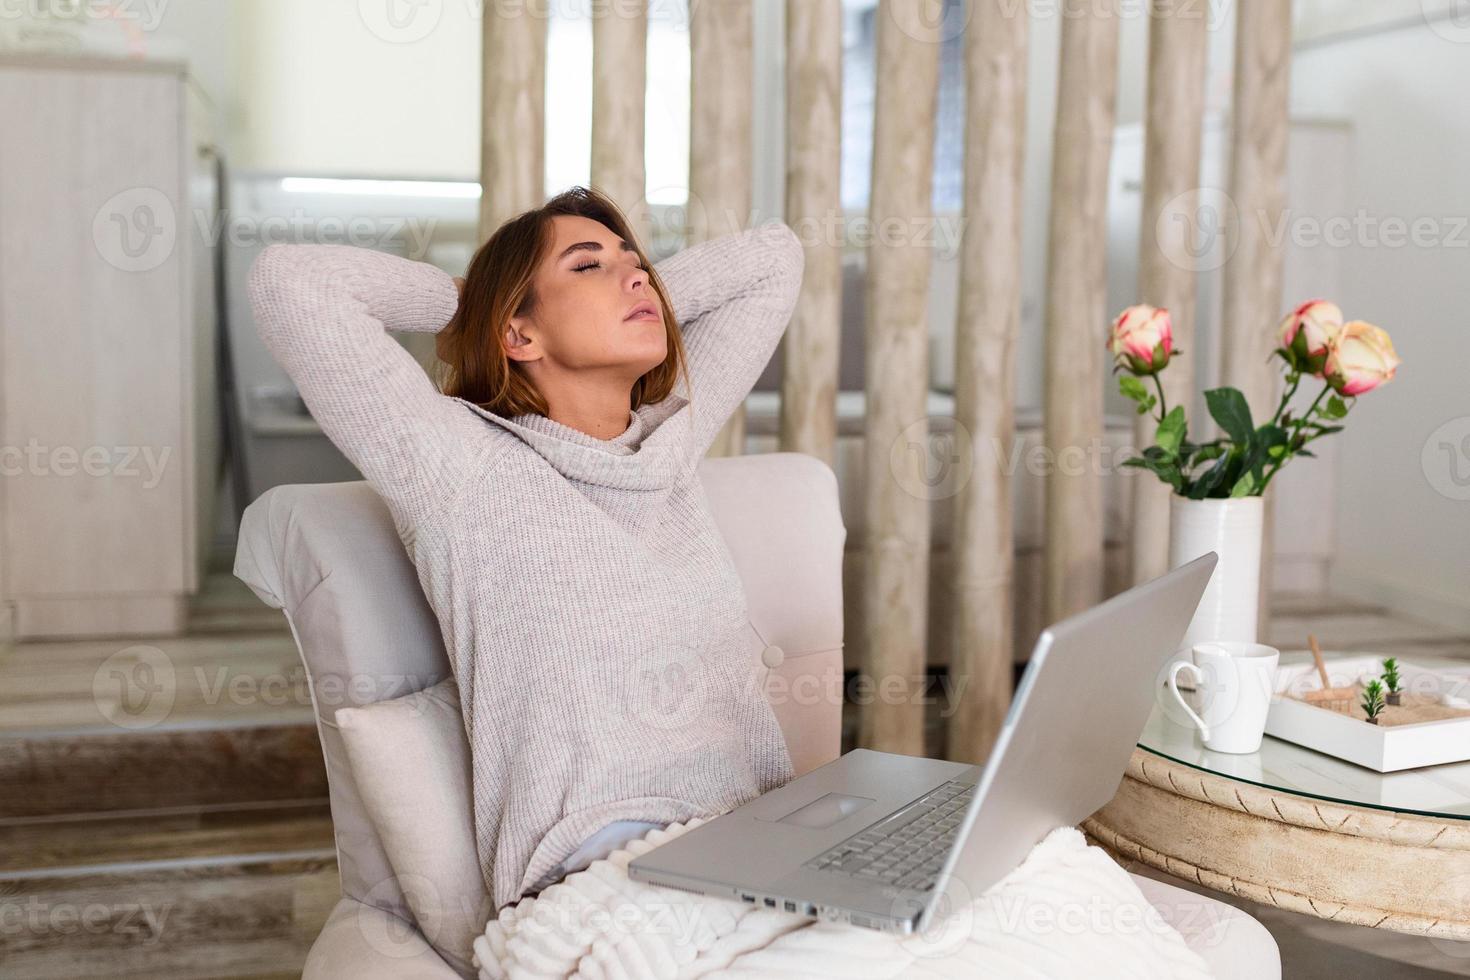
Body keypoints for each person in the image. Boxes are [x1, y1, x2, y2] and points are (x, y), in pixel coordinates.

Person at [248, 185, 806, 912]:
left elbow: (775, 259)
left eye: (636, 263)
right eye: (587, 266)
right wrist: (482, 301)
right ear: (518, 335)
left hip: (757, 842)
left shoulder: (671, 443)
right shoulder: (458, 466)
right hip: (603, 871)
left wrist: (602, 288)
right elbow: (289, 284)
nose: (638, 276)